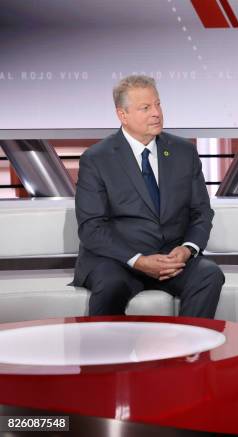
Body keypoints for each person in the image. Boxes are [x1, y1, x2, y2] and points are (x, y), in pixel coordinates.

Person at [73, 75, 224, 318]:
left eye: (158, 104)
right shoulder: (97, 159)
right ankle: (103, 354)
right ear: (122, 115)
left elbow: (201, 212)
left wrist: (186, 249)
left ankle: (189, 353)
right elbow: (91, 227)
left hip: (170, 258)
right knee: (111, 285)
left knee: (209, 275)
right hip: (118, 260)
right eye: (145, 107)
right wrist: (138, 260)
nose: (156, 113)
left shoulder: (183, 151)